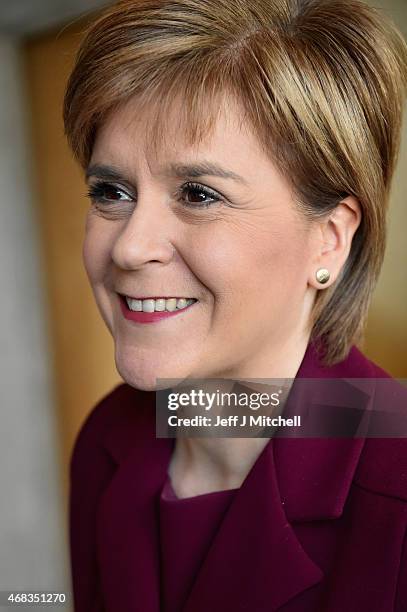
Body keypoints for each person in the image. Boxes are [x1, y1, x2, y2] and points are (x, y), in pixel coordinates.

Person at [63, 0, 407, 610]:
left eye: (198, 193)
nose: (130, 246)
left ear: (329, 238)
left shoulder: (397, 483)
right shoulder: (104, 441)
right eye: (111, 191)